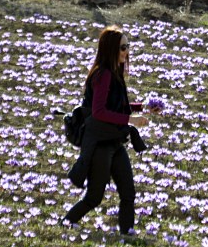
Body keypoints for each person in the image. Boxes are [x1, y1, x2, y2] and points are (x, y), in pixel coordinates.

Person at [62, 25, 159, 235]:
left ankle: (127, 232)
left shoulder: (114, 73)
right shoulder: (103, 75)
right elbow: (98, 112)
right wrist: (130, 120)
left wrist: (142, 107)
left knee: (128, 192)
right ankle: (67, 222)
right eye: (123, 47)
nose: (126, 51)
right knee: (94, 197)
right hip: (100, 143)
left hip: (114, 140)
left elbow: (114, 106)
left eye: (128, 46)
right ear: (111, 49)